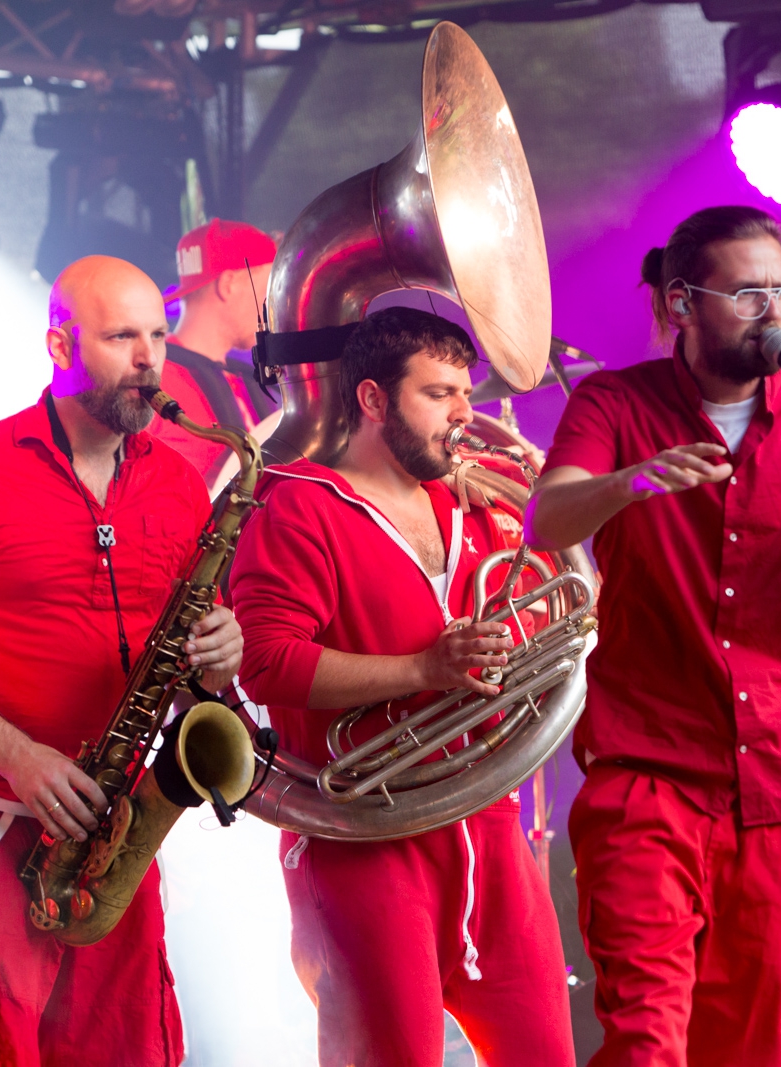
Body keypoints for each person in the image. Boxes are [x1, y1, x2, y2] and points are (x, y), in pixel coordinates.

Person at [525, 204, 781, 1067]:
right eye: (748, 295)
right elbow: (546, 519)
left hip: (773, 787)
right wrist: (631, 481)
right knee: (648, 1035)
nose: (774, 315)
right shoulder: (615, 401)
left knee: (751, 1045)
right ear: (681, 303)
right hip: (647, 775)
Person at [0, 255, 244, 1066]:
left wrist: (218, 657)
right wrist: (20, 757)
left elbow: (180, 667)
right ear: (58, 343)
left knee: (126, 1044)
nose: (150, 359)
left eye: (158, 336)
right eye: (120, 337)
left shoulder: (182, 487)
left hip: (109, 819)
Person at [229, 305, 574, 1067]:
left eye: (466, 393)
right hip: (367, 839)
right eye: (439, 393)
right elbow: (267, 663)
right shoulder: (297, 506)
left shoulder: (476, 504)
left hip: (489, 826)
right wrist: (426, 669)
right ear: (374, 400)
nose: (464, 416)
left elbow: (554, 615)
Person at [156, 218, 282, 491]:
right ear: (229, 284)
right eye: (266, 291)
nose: (272, 307)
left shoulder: (247, 376)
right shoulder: (148, 379)